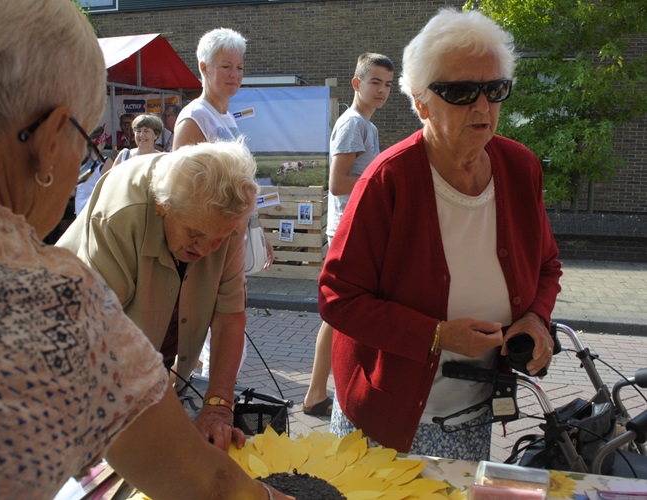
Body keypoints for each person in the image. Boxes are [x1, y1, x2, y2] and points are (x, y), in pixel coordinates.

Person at [0, 1, 291, 499]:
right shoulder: (51, 301)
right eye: (85, 142)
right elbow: (203, 482)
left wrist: (214, 401)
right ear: (47, 140)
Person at [319, 7, 562, 462]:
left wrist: (535, 317)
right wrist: (436, 335)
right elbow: (337, 296)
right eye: (462, 91)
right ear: (420, 102)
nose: (483, 106)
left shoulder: (520, 167)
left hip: (471, 418)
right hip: (384, 419)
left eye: (495, 89)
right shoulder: (387, 180)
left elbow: (547, 264)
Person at [57, 139, 258, 452]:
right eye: (195, 234)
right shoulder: (121, 211)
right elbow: (100, 335)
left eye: (218, 240)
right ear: (164, 208)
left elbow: (229, 316)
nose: (205, 249)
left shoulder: (227, 218)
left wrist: (218, 406)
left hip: (145, 359)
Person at [172, 27, 275, 381]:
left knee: (228, 323)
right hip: (208, 244)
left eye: (239, 67)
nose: (234, 75)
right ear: (203, 67)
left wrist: (256, 233)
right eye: (225, 66)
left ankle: (209, 397)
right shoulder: (195, 118)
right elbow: (181, 196)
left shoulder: (225, 117)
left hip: (231, 240)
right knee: (211, 323)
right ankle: (197, 398)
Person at [303, 52, 395, 418]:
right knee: (339, 316)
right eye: (375, 82)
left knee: (339, 316)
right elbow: (338, 182)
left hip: (356, 233)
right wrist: (383, 183)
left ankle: (321, 394)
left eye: (388, 85)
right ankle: (320, 394)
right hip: (347, 234)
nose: (382, 91)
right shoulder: (353, 123)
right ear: (357, 84)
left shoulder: (366, 126)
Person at [74, 124, 114, 216]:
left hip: (80, 211)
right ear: (102, 143)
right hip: (98, 212)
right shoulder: (107, 163)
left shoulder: (78, 162)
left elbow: (72, 192)